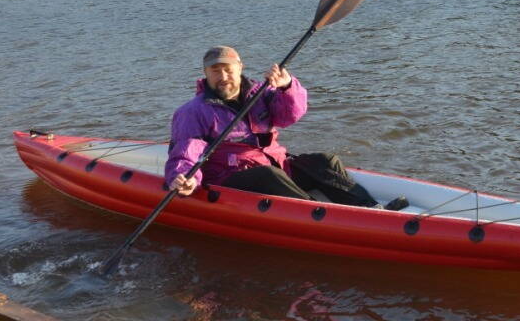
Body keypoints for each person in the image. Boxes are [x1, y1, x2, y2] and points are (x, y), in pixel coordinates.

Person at [164, 46, 407, 210]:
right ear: (205, 74)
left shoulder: (260, 92)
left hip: (275, 164)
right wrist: (184, 179)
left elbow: (290, 115)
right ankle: (319, 214)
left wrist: (287, 86)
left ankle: (371, 208)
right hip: (228, 177)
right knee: (269, 175)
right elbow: (186, 152)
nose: (223, 76)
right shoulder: (193, 111)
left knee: (325, 161)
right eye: (215, 71)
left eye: (228, 69)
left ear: (240, 68)